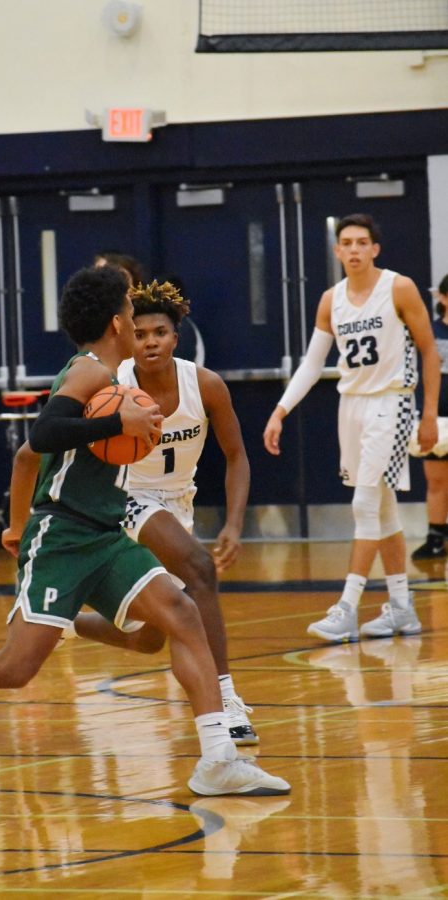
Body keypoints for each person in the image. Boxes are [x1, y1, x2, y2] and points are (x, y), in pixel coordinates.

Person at [0, 265, 290, 797]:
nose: (134, 317)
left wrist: (16, 521)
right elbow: (42, 435)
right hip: (64, 535)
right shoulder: (90, 372)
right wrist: (108, 435)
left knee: (181, 616)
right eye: (128, 308)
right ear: (117, 321)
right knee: (13, 669)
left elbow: (30, 458)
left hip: (107, 531)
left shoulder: (120, 377)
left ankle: (217, 760)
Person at [58, 279, 258, 744]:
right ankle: (226, 700)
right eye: (141, 332)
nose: (150, 342)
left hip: (176, 505)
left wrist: (233, 522)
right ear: (129, 335)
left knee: (152, 637)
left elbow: (236, 457)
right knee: (200, 567)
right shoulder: (113, 384)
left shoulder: (204, 385)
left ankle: (64, 622)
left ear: (176, 336)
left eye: (160, 333)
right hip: (124, 498)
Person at [263, 213, 440, 643]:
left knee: (364, 505)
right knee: (383, 509)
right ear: (337, 250)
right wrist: (280, 409)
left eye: (363, 242)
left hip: (393, 402)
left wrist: (429, 413)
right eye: (348, 242)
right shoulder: (331, 299)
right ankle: (401, 609)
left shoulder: (398, 287)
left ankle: (347, 606)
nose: (356, 249)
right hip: (353, 407)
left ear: (375, 248)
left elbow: (430, 350)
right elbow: (311, 362)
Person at [411, 274, 448, 560]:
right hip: (439, 418)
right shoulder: (430, 333)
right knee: (436, 480)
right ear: (443, 298)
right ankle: (435, 537)